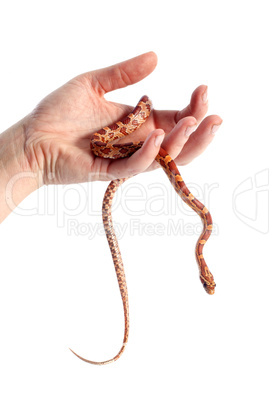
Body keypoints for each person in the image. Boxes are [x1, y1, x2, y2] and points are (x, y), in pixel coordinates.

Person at [0, 52, 222, 223]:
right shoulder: (97, 142)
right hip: (111, 139)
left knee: (152, 150)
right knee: (150, 150)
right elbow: (104, 141)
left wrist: (29, 150)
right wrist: (30, 147)